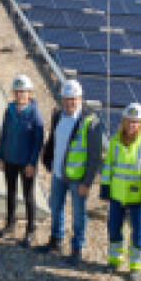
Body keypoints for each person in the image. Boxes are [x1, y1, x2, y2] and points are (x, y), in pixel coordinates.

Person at [38, 79, 104, 264]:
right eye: (67, 99)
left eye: (73, 99)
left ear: (81, 99)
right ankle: (56, 240)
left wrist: (87, 182)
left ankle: (76, 249)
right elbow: (53, 139)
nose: (70, 103)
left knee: (78, 213)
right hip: (59, 174)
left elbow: (94, 156)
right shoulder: (58, 115)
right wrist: (47, 158)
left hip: (78, 178)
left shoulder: (91, 122)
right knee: (56, 207)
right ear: (61, 99)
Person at [99, 103, 141, 281]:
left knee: (138, 233)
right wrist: (105, 187)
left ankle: (136, 268)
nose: (131, 126)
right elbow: (108, 167)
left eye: (135, 123)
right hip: (117, 196)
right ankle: (114, 261)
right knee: (114, 228)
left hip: (138, 199)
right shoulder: (114, 142)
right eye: (129, 122)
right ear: (123, 122)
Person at [0, 74, 45, 247]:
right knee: (10, 192)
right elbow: (3, 133)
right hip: (10, 159)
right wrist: (0, 155)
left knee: (28, 195)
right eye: (17, 92)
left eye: (23, 92)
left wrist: (32, 163)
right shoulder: (9, 111)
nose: (20, 95)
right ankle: (10, 223)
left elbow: (38, 141)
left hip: (26, 163)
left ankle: (30, 229)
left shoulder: (34, 114)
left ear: (29, 93)